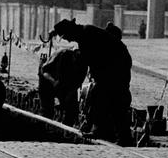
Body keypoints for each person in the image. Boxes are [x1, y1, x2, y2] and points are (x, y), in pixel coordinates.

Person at [51, 18, 133, 146]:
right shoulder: (83, 34)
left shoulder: (86, 35)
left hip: (118, 66)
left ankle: (123, 137)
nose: (67, 40)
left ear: (70, 32)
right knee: (98, 96)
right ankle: (102, 131)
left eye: (65, 36)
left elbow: (84, 66)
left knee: (115, 100)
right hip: (110, 67)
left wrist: (72, 89)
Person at [37, 48, 87, 126]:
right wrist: (53, 81)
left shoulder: (83, 65)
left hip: (65, 85)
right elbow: (44, 70)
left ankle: (66, 131)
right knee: (47, 110)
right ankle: (41, 128)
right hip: (47, 81)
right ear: (74, 55)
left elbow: (77, 84)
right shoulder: (61, 54)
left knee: (72, 109)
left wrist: (68, 97)